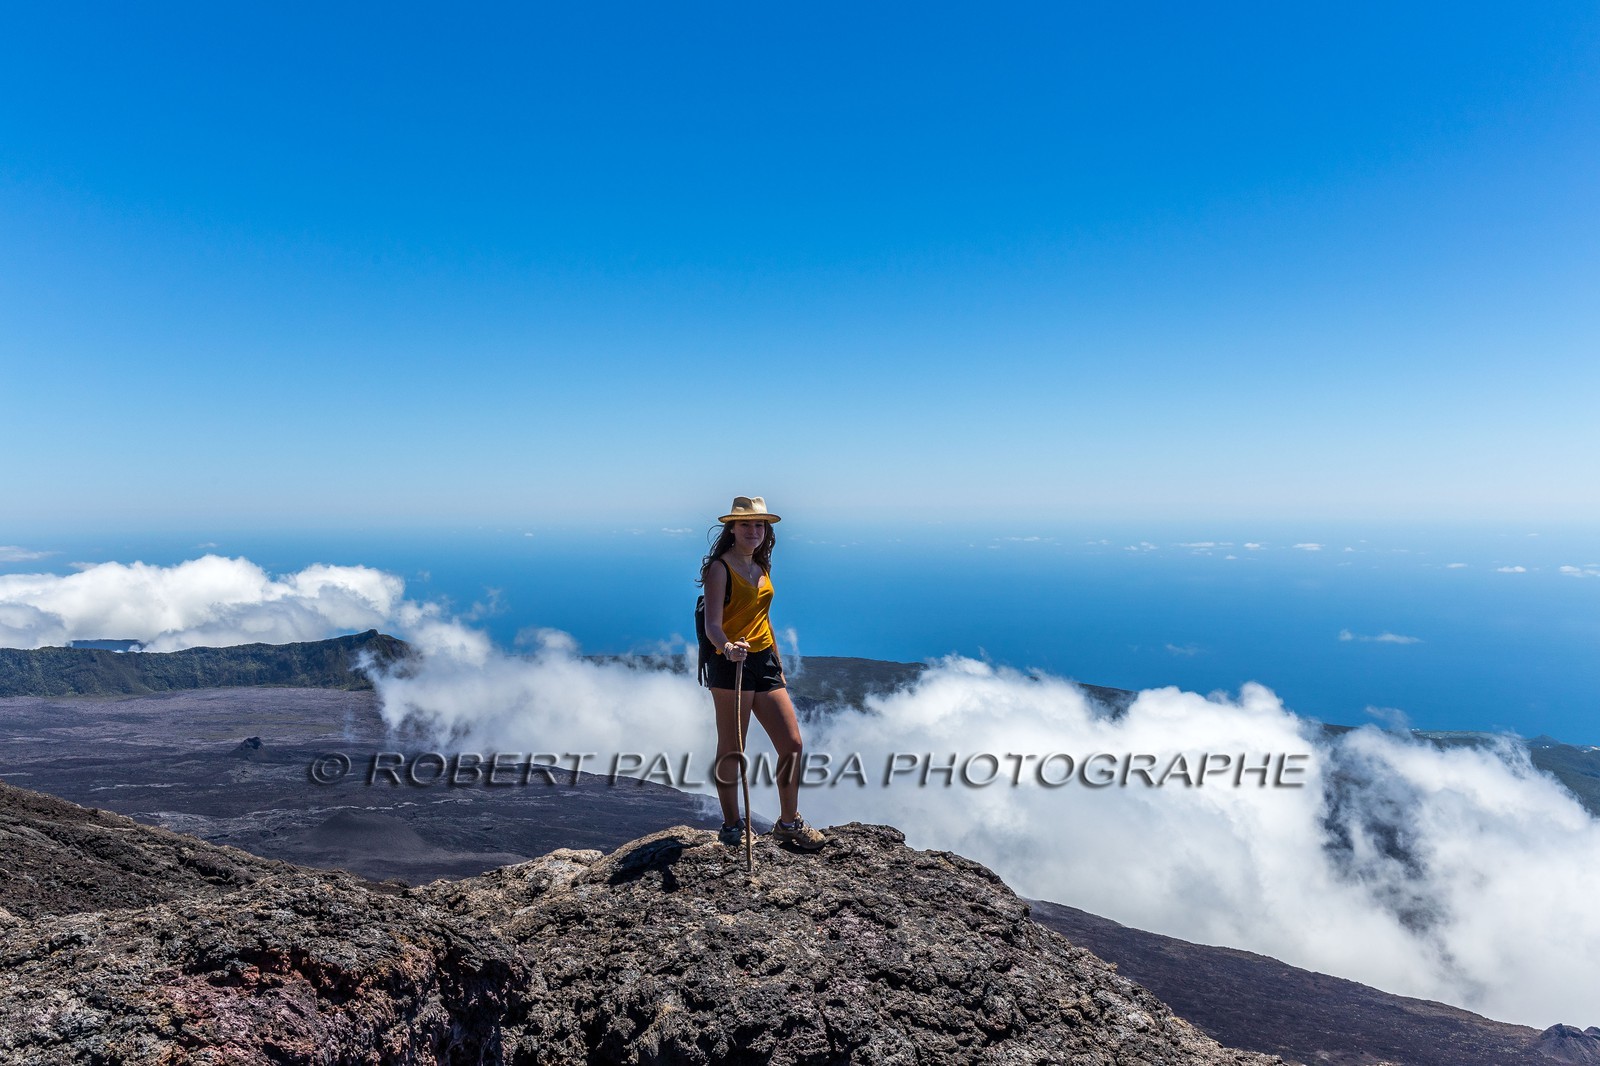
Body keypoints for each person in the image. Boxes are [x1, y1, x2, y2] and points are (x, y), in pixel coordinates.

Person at [699, 495, 826, 851]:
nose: (753, 530)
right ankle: (731, 826)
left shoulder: (762, 565)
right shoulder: (719, 569)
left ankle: (788, 823)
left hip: (764, 661)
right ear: (732, 529)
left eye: (759, 524)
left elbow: (761, 616)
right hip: (729, 664)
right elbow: (712, 624)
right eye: (745, 524)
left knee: (792, 744)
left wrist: (775, 656)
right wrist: (727, 647)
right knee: (732, 750)